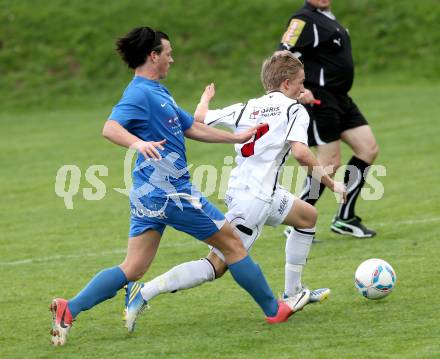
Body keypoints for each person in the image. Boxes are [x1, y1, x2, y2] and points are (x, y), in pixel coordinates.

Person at [49, 26, 297, 346]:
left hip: (147, 192)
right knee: (233, 245)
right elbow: (110, 128)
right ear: (153, 56)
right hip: (171, 191)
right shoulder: (139, 92)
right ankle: (274, 309)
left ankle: (69, 309)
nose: (172, 59)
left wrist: (236, 137)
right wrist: (138, 144)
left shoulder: (158, 92)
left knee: (134, 267)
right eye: (167, 54)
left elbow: (192, 127)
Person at [122, 51, 346, 333]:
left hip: (256, 192)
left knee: (307, 217)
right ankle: (143, 293)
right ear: (287, 83)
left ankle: (293, 292)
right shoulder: (295, 111)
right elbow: (301, 153)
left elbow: (200, 118)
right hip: (254, 201)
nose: (304, 88)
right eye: (301, 82)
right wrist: (332, 183)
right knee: (215, 265)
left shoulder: (248, 107)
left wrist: (205, 99)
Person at [280, 0, 379, 238]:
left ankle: (345, 218)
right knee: (329, 163)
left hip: (341, 99)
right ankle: (297, 221)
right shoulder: (303, 20)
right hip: (320, 100)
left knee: (368, 148)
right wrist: (300, 91)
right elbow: (282, 55)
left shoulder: (327, 17)